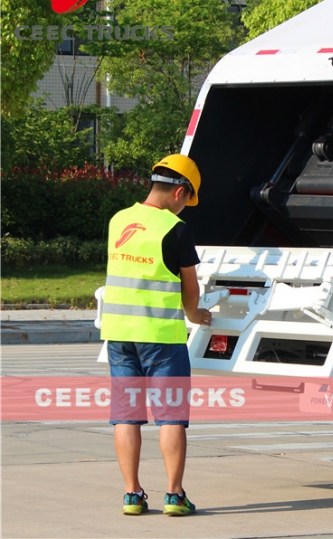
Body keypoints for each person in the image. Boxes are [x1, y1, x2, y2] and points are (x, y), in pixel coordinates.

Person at [100, 153, 212, 516]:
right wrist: (196, 315)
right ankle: (174, 496)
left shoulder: (119, 220)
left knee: (126, 416)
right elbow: (189, 289)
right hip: (161, 338)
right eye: (187, 202)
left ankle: (132, 495)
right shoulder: (175, 229)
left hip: (118, 335)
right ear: (180, 192)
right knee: (171, 417)